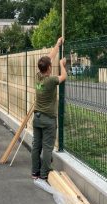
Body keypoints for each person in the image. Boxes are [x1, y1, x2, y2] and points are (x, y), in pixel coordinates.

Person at [31, 37, 67, 180]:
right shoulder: (51, 81)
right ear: (49, 68)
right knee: (47, 148)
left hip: (37, 118)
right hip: (48, 120)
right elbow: (63, 76)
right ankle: (45, 174)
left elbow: (48, 59)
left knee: (36, 146)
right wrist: (62, 64)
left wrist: (57, 45)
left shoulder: (38, 76)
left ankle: (35, 172)